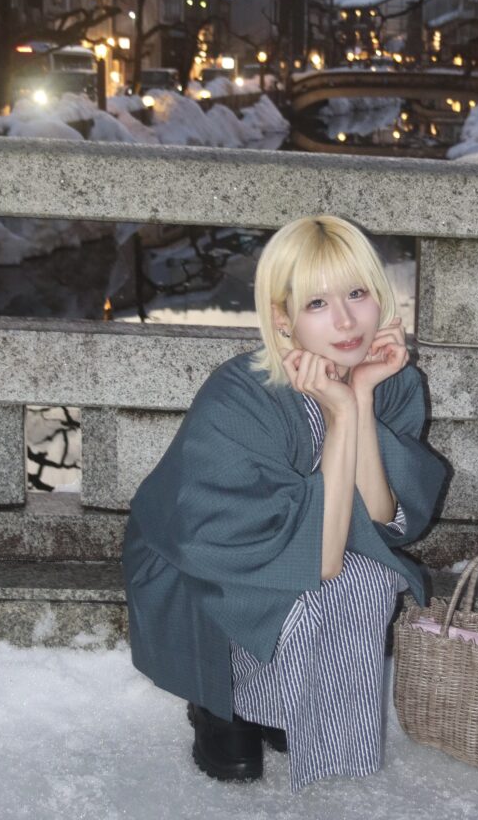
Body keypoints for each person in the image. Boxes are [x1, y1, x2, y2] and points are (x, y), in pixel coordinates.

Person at [122, 215, 447, 791]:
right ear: (282, 318)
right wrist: (339, 415)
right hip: (204, 569)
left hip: (307, 549)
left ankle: (285, 700)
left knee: (371, 577)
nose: (346, 321)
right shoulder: (240, 394)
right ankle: (223, 701)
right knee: (334, 581)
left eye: (357, 294)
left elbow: (382, 522)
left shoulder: (390, 379)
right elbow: (317, 561)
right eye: (317, 303)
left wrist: (360, 397)